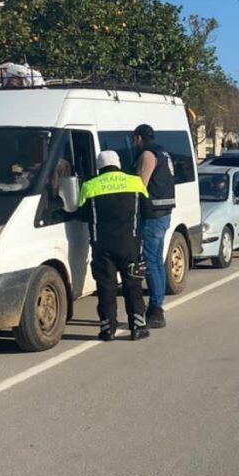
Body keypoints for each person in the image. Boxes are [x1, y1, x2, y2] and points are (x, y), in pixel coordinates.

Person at [78, 151, 150, 341]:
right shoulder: (135, 182)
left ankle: (108, 329)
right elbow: (148, 211)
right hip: (129, 244)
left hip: (102, 247)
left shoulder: (89, 186)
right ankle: (138, 327)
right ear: (118, 164)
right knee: (132, 285)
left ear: (99, 166)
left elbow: (83, 215)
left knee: (106, 288)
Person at [132, 124, 176, 329]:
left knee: (151, 263)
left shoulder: (148, 154)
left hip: (152, 215)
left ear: (139, 138)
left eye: (134, 140)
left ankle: (156, 309)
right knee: (157, 261)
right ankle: (157, 305)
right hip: (164, 212)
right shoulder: (164, 152)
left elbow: (140, 185)